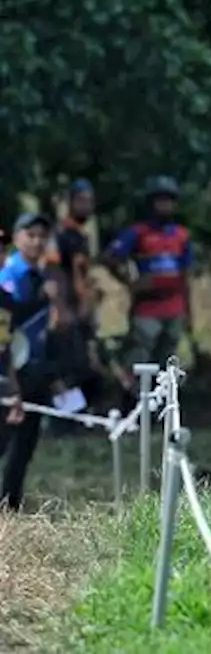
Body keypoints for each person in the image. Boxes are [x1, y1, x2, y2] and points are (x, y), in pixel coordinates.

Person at [0, 214, 62, 510]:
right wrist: (42, 300)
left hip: (34, 366)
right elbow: (12, 319)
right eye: (30, 234)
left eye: (42, 236)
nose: (37, 241)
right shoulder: (9, 274)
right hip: (12, 368)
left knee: (25, 444)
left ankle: (11, 503)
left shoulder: (40, 274)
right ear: (17, 237)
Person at [102, 176, 194, 371]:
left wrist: (188, 312)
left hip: (174, 308)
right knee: (139, 362)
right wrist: (129, 282)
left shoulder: (181, 236)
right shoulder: (139, 232)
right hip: (147, 308)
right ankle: (132, 399)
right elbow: (110, 257)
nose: (164, 205)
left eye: (168, 201)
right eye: (160, 200)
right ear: (151, 203)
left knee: (167, 364)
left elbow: (185, 275)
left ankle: (162, 401)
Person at [44, 179, 106, 427]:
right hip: (64, 312)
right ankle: (60, 421)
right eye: (81, 200)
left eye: (90, 201)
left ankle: (73, 417)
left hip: (80, 312)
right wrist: (60, 308)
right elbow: (53, 271)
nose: (86, 206)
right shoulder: (59, 235)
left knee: (84, 369)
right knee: (69, 369)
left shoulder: (81, 236)